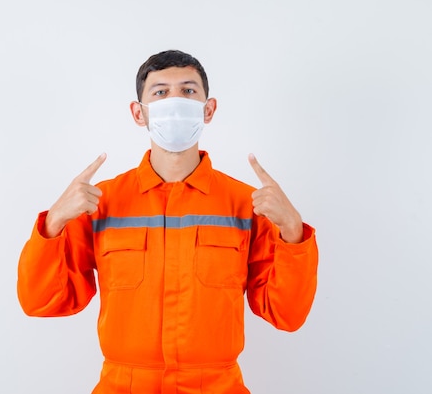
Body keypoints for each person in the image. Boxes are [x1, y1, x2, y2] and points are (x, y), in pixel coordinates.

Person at [17, 50, 319, 394]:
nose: (175, 101)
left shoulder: (247, 205)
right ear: (138, 112)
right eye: (160, 92)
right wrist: (53, 222)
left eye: (188, 91)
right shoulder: (100, 203)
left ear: (209, 109)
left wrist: (293, 232)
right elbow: (41, 301)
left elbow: (287, 315)